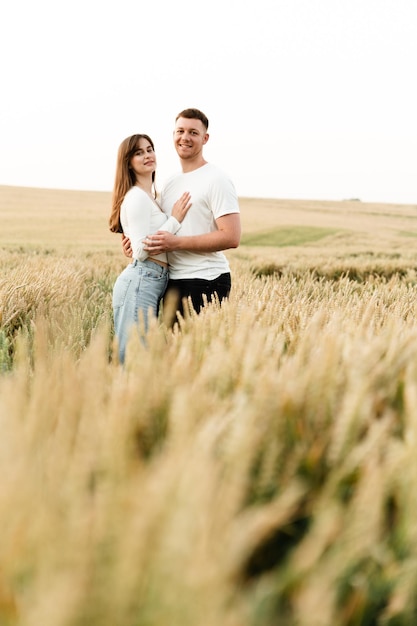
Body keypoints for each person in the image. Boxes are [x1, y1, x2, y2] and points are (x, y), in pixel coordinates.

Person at [122, 108, 241, 326]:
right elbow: (161, 226)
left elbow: (231, 237)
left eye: (193, 133)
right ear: (173, 135)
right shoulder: (170, 183)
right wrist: (138, 244)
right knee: (176, 356)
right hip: (172, 282)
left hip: (206, 281)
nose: (185, 137)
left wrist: (176, 243)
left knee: (198, 354)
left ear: (205, 138)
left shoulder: (217, 179)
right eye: (180, 131)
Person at [109, 133, 191, 363]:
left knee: (144, 358)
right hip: (141, 282)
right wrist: (174, 219)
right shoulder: (136, 197)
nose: (147, 155)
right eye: (139, 153)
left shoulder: (151, 197)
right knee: (135, 359)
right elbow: (141, 251)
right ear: (128, 162)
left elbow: (138, 245)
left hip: (152, 282)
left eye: (150, 149)